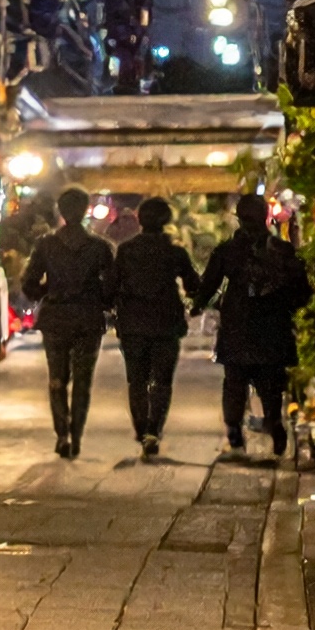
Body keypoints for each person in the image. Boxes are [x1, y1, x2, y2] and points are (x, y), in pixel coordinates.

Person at [193, 194, 314, 458]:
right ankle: (274, 424)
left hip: (238, 324)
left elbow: (208, 284)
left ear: (239, 219)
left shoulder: (227, 251)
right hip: (272, 325)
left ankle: (234, 430)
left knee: (235, 381)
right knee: (270, 383)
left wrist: (197, 305)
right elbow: (302, 290)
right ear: (265, 217)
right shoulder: (282, 250)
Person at [19, 187, 114, 459]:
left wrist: (46, 296)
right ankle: (76, 435)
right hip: (87, 318)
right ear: (85, 211)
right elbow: (111, 287)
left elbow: (28, 283)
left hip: (56, 318)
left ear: (60, 211)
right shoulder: (99, 247)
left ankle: (62, 434)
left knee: (57, 380)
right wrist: (102, 303)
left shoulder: (46, 245)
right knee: (82, 381)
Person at [109, 196, 203, 459]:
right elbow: (194, 285)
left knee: (136, 380)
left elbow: (111, 286)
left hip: (133, 324)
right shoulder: (175, 252)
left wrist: (111, 306)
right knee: (161, 381)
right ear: (167, 221)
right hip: (166, 324)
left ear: (140, 220)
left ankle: (141, 430)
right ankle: (154, 430)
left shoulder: (126, 251)